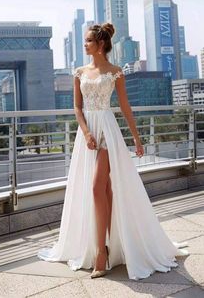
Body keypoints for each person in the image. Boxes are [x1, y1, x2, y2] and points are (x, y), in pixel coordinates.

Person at [38, 22, 189, 280]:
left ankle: (101, 254)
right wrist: (85, 132)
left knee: (97, 188)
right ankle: (106, 245)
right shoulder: (79, 72)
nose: (84, 45)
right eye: (84, 40)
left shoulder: (116, 72)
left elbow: (125, 107)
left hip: (108, 130)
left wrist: (137, 139)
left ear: (100, 45)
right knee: (103, 190)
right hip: (87, 134)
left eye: (88, 41)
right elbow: (77, 107)